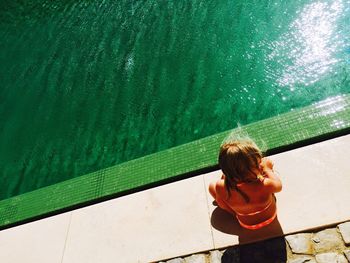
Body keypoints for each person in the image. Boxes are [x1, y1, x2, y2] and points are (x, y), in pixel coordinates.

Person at [209, 139, 282, 230]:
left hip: (245, 224)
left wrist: (235, 212)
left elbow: (222, 203)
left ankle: (237, 212)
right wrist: (268, 169)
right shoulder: (264, 184)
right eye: (258, 164)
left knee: (212, 187)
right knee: (268, 186)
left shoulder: (220, 186)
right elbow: (279, 186)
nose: (261, 166)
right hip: (270, 218)